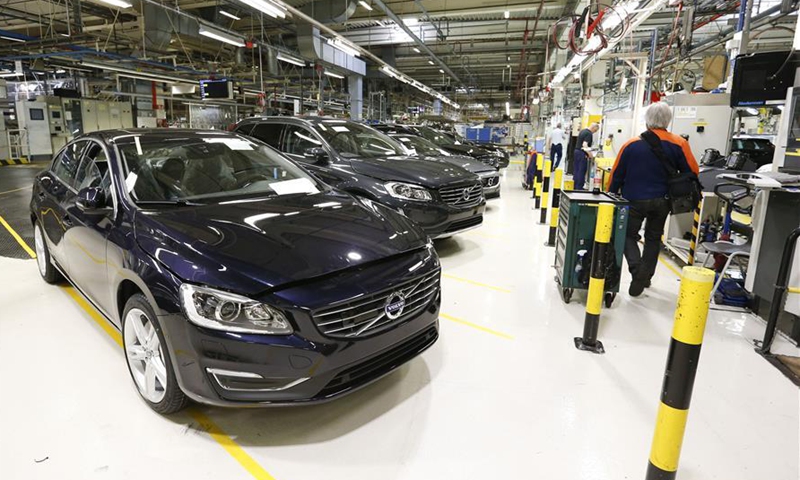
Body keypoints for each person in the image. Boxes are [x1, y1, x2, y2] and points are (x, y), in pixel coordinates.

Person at [607, 102, 699, 297]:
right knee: (653, 238)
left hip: (633, 200)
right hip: (663, 200)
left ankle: (636, 270)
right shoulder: (680, 144)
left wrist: (611, 196)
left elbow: (616, 175)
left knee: (627, 235)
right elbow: (693, 171)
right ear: (668, 120)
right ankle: (645, 276)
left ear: (647, 120)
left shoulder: (631, 145)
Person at [573, 123, 599, 190]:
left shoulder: (583, 131)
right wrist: (590, 154)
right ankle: (579, 187)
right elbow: (584, 145)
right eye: (595, 131)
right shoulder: (589, 134)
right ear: (593, 128)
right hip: (582, 153)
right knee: (582, 170)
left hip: (576, 151)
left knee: (577, 169)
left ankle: (575, 186)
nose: (594, 132)